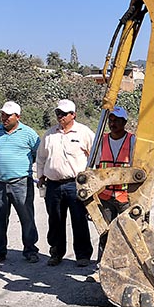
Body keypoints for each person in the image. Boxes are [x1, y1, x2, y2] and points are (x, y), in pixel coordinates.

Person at [37, 99, 96, 267]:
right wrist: (40, 176)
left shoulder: (84, 133)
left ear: (73, 115)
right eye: (58, 113)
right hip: (53, 185)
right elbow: (41, 158)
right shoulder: (49, 134)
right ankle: (56, 253)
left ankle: (83, 255)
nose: (60, 116)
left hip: (75, 185)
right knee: (55, 220)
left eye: (63, 114)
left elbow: (95, 155)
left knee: (79, 220)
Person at [0, 101, 41, 264]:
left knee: (27, 217)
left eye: (8, 115)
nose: (4, 118)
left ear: (18, 117)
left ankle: (30, 250)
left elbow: (38, 154)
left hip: (22, 183)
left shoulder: (29, 133)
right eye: (2, 114)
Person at [95, 106, 136, 257]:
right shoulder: (101, 140)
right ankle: (102, 265)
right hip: (105, 195)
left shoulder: (132, 140)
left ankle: (129, 264)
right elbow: (94, 166)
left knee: (129, 232)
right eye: (111, 120)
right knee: (105, 231)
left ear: (124, 122)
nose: (113, 123)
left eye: (117, 120)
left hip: (125, 196)